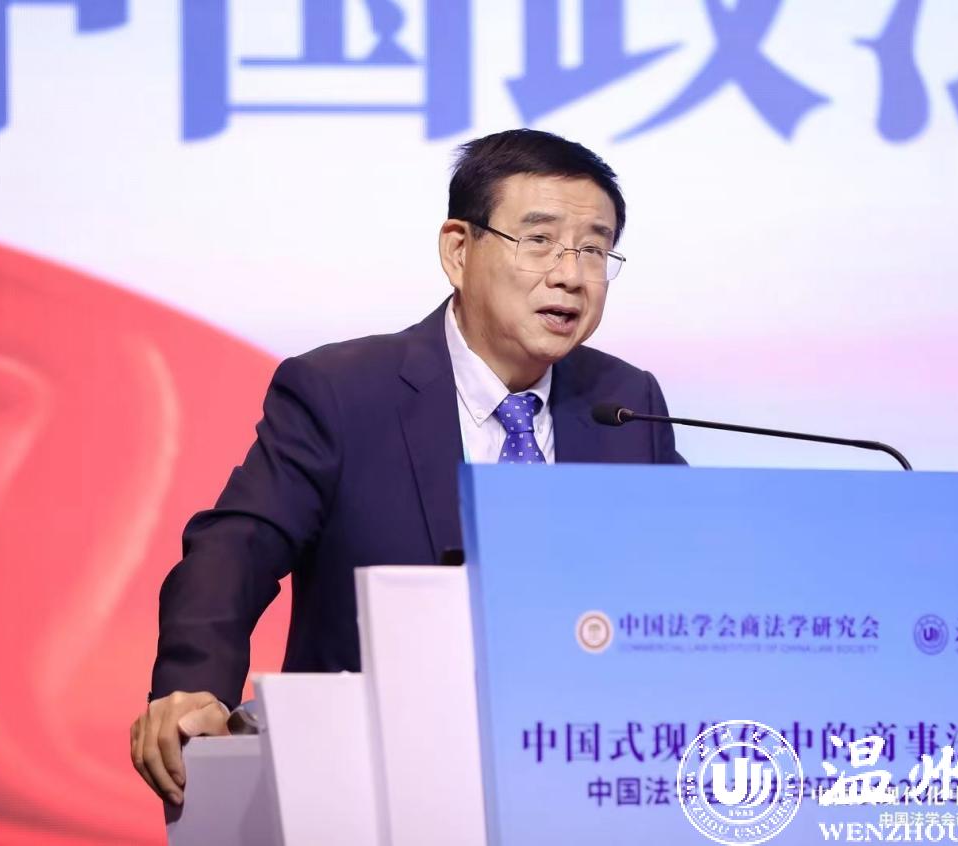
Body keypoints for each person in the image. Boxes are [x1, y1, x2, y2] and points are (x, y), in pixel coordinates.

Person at [129, 129, 684, 803]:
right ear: (458, 250)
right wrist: (195, 687)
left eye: (593, 249)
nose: (570, 274)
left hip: (571, 781)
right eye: (539, 240)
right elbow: (235, 549)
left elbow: (690, 572)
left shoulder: (624, 405)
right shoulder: (343, 391)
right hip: (367, 785)